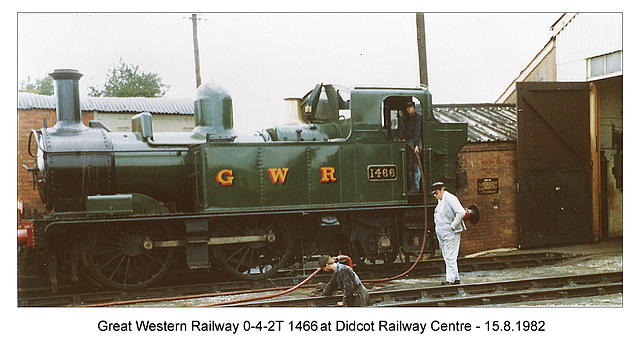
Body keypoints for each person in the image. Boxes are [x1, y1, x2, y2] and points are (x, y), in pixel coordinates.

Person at [431, 182, 466, 285]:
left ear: (442, 190)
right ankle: (455, 278)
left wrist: (453, 226)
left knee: (450, 255)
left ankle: (450, 279)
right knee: (447, 256)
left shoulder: (450, 198)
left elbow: (461, 212)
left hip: (450, 232)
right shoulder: (441, 200)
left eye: (436, 193)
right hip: (443, 233)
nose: (435, 196)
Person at [403, 101, 422, 193]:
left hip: (414, 143)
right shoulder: (407, 119)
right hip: (408, 142)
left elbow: (417, 131)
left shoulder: (418, 118)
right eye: (407, 107)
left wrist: (417, 145)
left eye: (410, 107)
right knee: (409, 165)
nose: (409, 109)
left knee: (416, 165)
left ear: (414, 107)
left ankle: (416, 187)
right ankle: (411, 186)